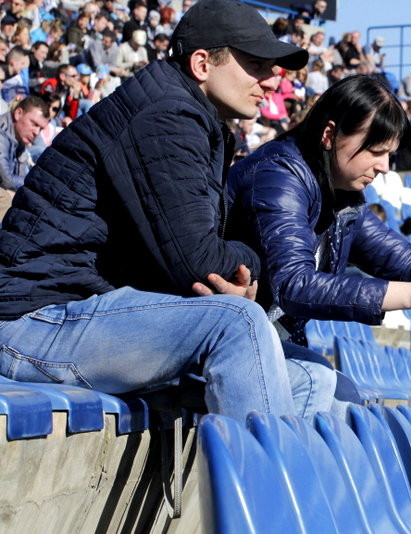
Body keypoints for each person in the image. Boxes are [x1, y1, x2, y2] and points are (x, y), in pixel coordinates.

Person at [0, 0, 320, 423]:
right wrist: (252, 267)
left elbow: (184, 259)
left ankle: (284, 488)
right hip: (34, 320)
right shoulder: (165, 114)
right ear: (203, 63)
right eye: (256, 64)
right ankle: (268, 489)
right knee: (237, 323)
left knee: (313, 377)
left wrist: (235, 274)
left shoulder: (188, 113)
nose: (271, 81)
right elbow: (197, 262)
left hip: (83, 311)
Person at [228, 75, 411, 408]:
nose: (385, 167)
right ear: (330, 135)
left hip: (268, 340)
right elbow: (294, 284)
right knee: (324, 387)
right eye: (376, 151)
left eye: (390, 154)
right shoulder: (279, 176)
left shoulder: (341, 197)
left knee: (348, 402)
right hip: (228, 339)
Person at [0, 95, 49, 197]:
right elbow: (6, 181)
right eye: (34, 124)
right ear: (18, 113)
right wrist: (35, 182)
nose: (36, 132)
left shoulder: (19, 137)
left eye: (40, 128)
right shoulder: (1, 133)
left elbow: (19, 176)